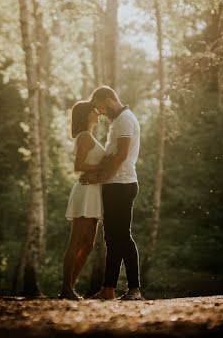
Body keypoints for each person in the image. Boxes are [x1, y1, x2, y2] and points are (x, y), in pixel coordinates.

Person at [81, 85, 143, 301]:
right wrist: (100, 174)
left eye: (100, 107)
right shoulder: (117, 121)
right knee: (112, 238)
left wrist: (99, 178)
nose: (100, 112)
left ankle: (134, 289)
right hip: (113, 184)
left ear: (108, 100)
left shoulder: (125, 119)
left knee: (122, 237)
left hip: (122, 185)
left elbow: (122, 156)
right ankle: (108, 289)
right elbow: (111, 155)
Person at [59, 100, 105, 300]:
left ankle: (69, 286)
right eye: (94, 111)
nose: (98, 113)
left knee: (87, 245)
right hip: (85, 192)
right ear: (87, 115)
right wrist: (105, 166)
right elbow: (78, 165)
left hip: (94, 193)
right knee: (76, 242)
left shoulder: (89, 136)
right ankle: (66, 288)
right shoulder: (85, 136)